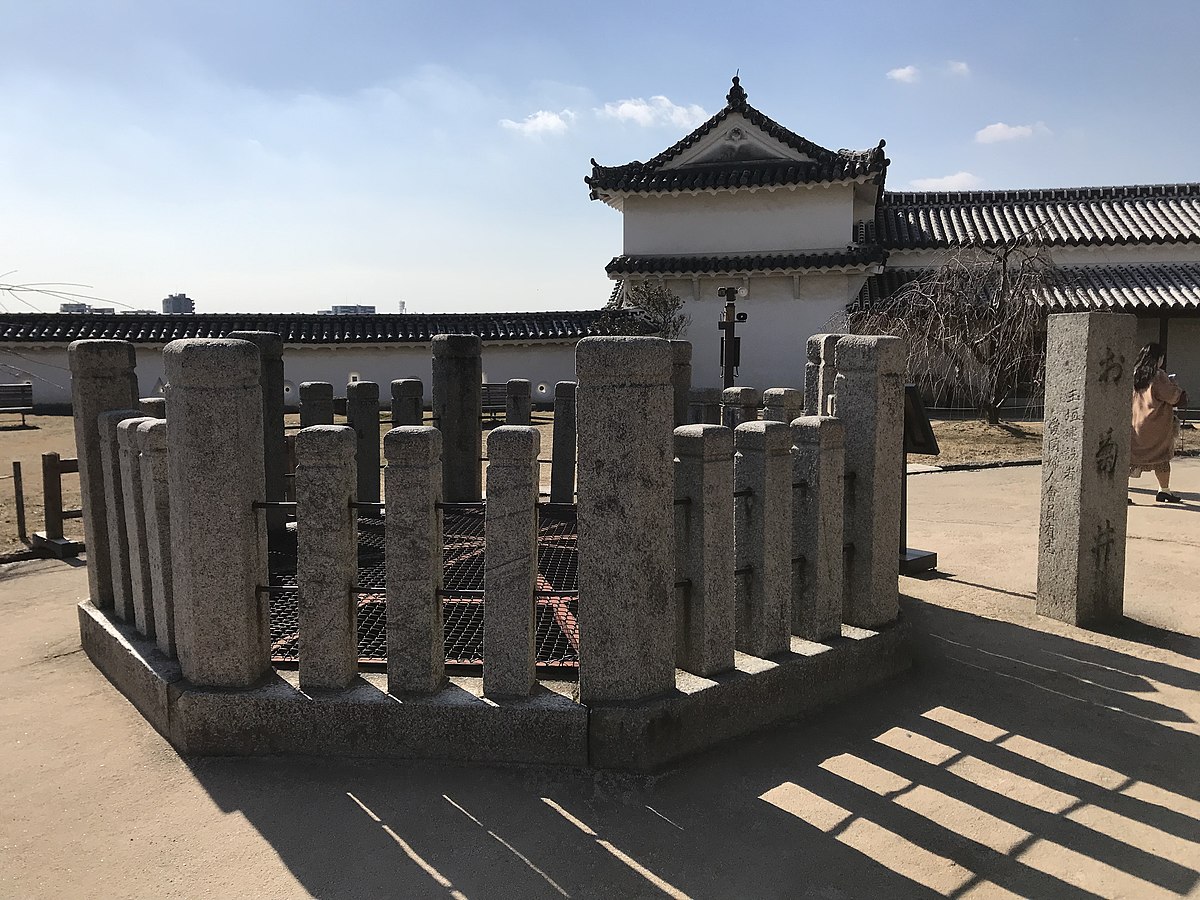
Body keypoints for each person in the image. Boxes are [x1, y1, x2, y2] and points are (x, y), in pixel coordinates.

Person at [1129, 342, 1189, 503]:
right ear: (1159, 358)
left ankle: (1121, 491)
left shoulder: (1133, 374)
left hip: (1134, 422)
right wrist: (1176, 386)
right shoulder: (1157, 375)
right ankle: (1164, 490)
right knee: (1161, 457)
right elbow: (1172, 396)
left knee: (1130, 459)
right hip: (1155, 424)